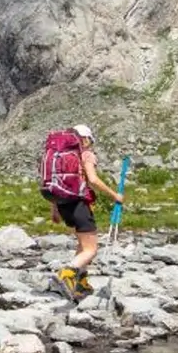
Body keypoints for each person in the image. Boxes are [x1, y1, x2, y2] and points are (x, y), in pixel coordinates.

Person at [49, 125, 123, 301]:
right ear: (87, 139)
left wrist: (54, 209)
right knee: (91, 249)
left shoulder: (59, 156)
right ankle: (65, 274)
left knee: (83, 245)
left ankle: (81, 283)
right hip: (79, 204)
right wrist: (115, 196)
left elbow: (56, 183)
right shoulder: (85, 154)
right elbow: (93, 179)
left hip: (63, 205)